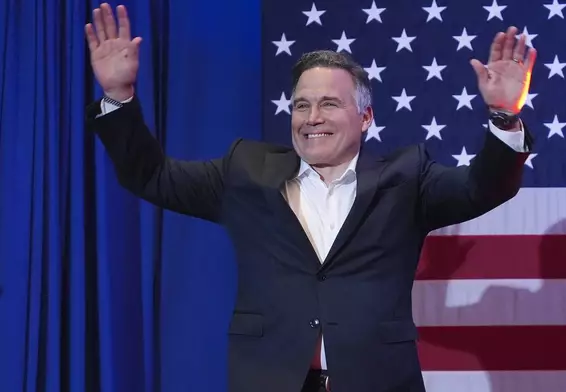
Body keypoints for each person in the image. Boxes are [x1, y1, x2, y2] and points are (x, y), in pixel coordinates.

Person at [84, 3, 537, 392]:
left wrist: (503, 115)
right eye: (301, 104)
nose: (311, 117)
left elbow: (486, 186)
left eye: (329, 104)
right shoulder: (246, 171)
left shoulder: (407, 178)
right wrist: (119, 97)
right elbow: (151, 175)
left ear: (365, 117)